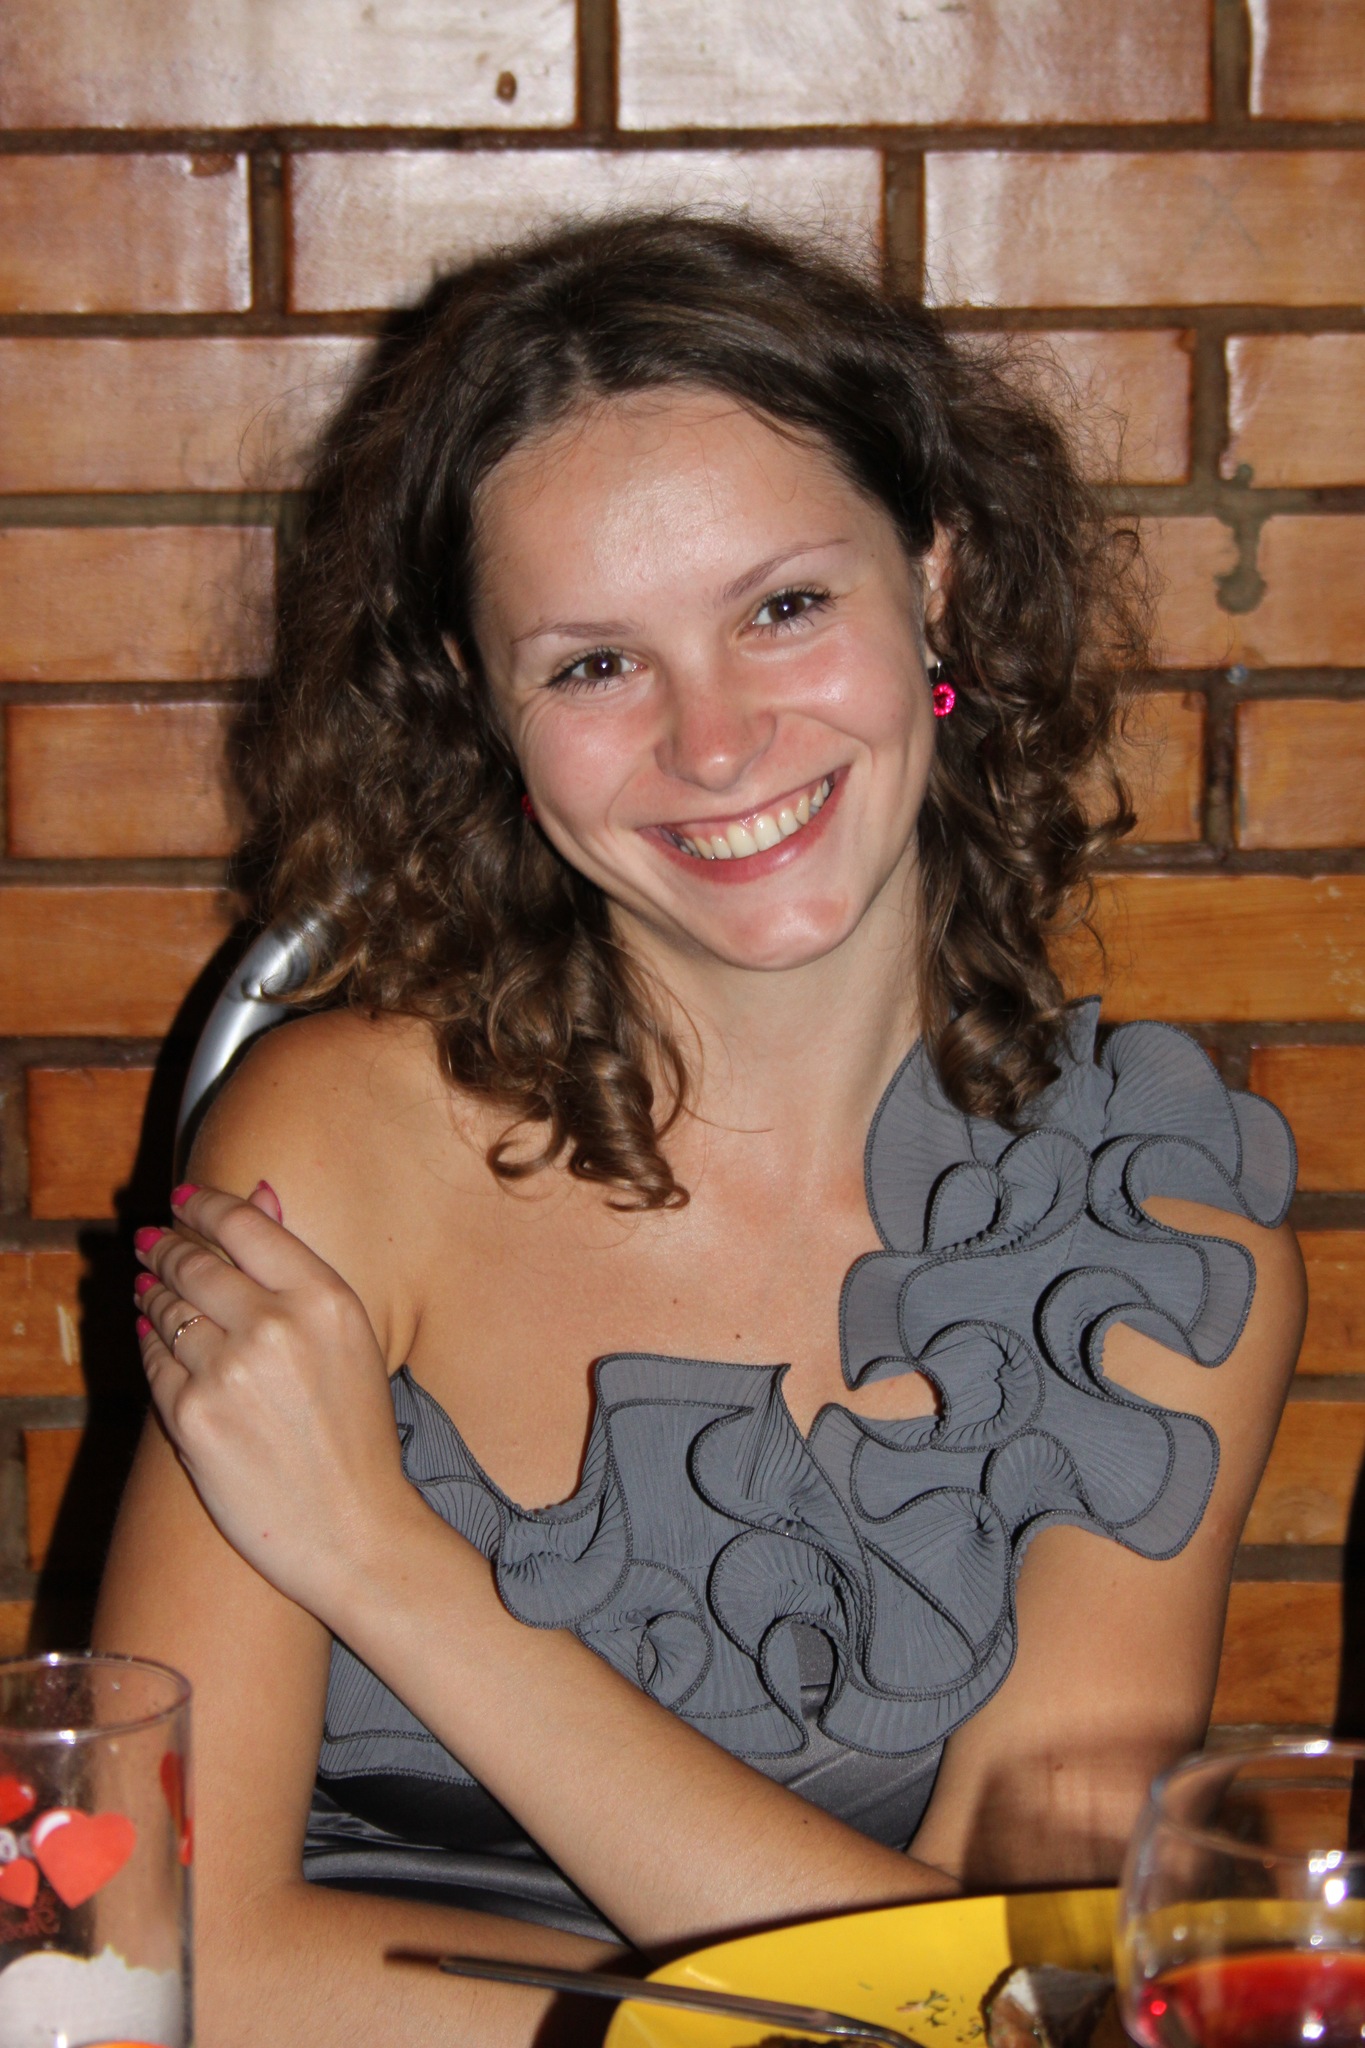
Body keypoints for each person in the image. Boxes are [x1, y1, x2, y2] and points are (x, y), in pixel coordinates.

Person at [95, 213, 1306, 2048]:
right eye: (594, 664)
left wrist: (384, 1562)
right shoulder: (331, 1140)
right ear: (485, 705)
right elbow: (157, 1940)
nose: (716, 743)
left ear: (938, 582)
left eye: (782, 607)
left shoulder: (1152, 1254)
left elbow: (1010, 2001)